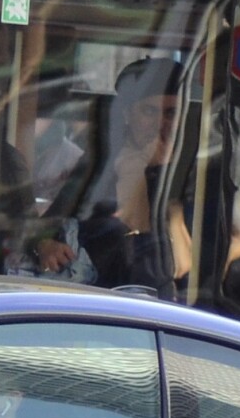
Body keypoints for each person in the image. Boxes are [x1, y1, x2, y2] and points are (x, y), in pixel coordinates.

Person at [77, 58, 194, 295]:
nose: (162, 124)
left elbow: (185, 267)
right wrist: (137, 167)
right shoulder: (101, 170)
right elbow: (149, 262)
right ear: (128, 115)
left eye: (171, 112)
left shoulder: (191, 173)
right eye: (150, 111)